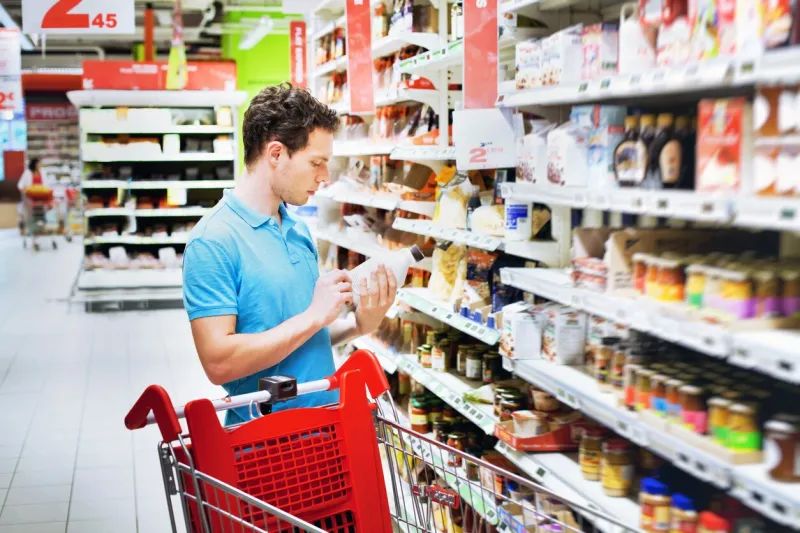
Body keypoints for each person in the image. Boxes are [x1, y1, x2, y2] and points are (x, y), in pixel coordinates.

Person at [182, 83, 397, 425]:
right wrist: (315, 314)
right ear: (276, 154)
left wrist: (360, 323)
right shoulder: (212, 242)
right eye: (316, 162)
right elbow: (218, 362)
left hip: (327, 427)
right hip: (267, 443)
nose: (324, 177)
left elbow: (305, 336)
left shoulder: (297, 230)